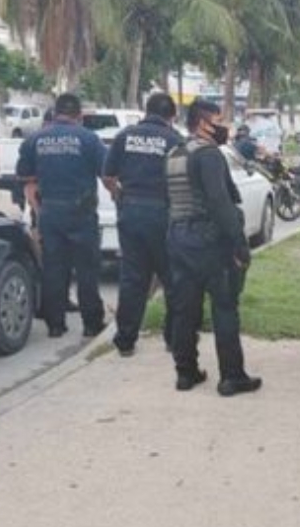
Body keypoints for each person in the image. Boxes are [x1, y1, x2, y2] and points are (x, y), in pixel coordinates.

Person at [165, 99, 261, 395]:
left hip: (178, 239)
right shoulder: (209, 156)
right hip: (209, 241)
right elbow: (221, 203)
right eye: (220, 120)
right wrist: (239, 243)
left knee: (184, 310)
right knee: (224, 306)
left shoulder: (174, 153)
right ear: (204, 123)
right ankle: (232, 376)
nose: (225, 127)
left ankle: (186, 373)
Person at [16, 93, 108, 338]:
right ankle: (92, 323)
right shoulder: (89, 139)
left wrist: (39, 209)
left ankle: (55, 324)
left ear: (55, 113)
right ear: (78, 115)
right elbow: (107, 172)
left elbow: (27, 180)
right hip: (82, 213)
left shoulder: (35, 140)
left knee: (54, 269)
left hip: (51, 213)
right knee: (87, 269)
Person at [102, 92, 183, 356]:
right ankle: (173, 339)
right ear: (171, 116)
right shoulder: (174, 139)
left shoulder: (125, 136)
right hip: (163, 214)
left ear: (146, 111)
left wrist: (118, 196)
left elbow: (108, 175)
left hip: (131, 213)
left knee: (133, 279)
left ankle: (125, 341)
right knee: (172, 278)